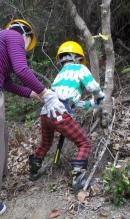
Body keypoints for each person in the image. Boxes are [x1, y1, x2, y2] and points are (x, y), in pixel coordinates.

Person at [0, 19, 66, 219]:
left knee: (0, 137)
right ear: (26, 35)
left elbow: (7, 83)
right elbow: (22, 70)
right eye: (28, 44)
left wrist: (32, 93)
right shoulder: (13, 36)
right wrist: (46, 94)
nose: (25, 48)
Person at [28, 41, 105, 192]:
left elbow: (74, 104)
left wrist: (92, 104)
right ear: (76, 57)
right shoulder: (80, 68)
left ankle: (33, 170)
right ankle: (78, 178)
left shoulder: (59, 76)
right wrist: (100, 97)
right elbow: (93, 87)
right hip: (59, 113)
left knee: (45, 144)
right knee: (85, 144)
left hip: (45, 113)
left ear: (61, 59)